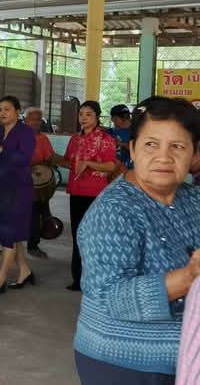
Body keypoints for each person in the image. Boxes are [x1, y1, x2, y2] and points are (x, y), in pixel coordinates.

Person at [75, 97, 200, 384]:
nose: (164, 157)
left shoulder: (193, 199)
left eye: (177, 146)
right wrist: (189, 276)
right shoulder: (113, 210)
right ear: (132, 149)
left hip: (186, 362)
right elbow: (112, 297)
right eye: (151, 144)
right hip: (124, 365)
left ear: (194, 154)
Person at [54, 101, 117, 292]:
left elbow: (111, 166)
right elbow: (69, 162)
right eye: (81, 113)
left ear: (97, 117)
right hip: (76, 192)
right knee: (77, 235)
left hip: (95, 193)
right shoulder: (75, 139)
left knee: (94, 236)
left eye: (88, 114)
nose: (83, 117)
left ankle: (95, 278)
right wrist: (51, 158)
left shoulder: (105, 138)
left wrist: (89, 163)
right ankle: (78, 278)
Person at [0, 96, 36, 296]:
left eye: (7, 109)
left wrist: (2, 148)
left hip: (19, 188)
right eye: (0, 109)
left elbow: (24, 158)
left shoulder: (26, 132)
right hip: (1, 186)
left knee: (9, 234)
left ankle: (0, 279)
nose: (2, 113)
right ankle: (25, 271)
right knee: (8, 231)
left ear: (17, 111)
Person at [24, 106, 57, 259]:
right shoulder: (18, 136)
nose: (36, 123)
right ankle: (13, 246)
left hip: (38, 182)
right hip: (21, 181)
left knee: (37, 212)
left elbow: (50, 156)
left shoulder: (43, 138)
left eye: (38, 120)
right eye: (33, 119)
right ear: (25, 120)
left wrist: (51, 162)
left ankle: (33, 243)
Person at [108, 104, 133, 170]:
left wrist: (121, 143)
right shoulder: (111, 132)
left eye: (127, 117)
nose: (126, 120)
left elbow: (137, 149)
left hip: (129, 169)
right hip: (115, 168)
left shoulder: (136, 131)